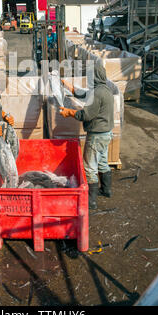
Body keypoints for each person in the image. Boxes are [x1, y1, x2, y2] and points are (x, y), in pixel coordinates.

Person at [60, 62, 114, 210]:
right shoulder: (105, 89)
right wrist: (68, 86)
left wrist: (69, 112)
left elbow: (86, 115)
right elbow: (84, 94)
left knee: (90, 166)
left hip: (96, 135)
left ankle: (91, 201)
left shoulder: (97, 93)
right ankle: (107, 190)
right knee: (102, 161)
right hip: (106, 133)